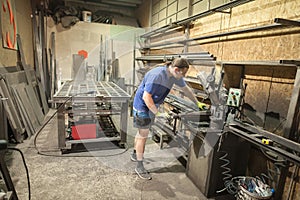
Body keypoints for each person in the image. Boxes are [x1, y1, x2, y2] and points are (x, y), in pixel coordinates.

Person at [131, 57, 207, 180]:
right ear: (176, 69)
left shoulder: (174, 75)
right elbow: (146, 97)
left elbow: (185, 89)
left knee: (141, 133)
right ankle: (139, 166)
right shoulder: (157, 75)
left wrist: (197, 102)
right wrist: (158, 113)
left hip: (151, 106)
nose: (184, 76)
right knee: (143, 135)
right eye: (184, 73)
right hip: (142, 106)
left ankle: (135, 154)